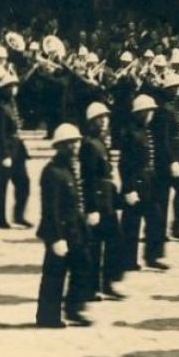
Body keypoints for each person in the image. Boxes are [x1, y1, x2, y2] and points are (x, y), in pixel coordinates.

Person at [35, 123, 93, 328]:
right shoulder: (52, 172)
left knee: (83, 267)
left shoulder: (71, 168)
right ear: (59, 146)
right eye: (69, 143)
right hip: (59, 231)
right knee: (54, 275)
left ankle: (74, 309)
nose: (74, 146)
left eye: (76, 142)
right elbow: (50, 209)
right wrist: (56, 238)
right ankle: (47, 317)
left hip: (76, 230)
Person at [80, 102, 125, 300]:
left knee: (114, 242)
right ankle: (92, 288)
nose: (104, 121)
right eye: (100, 119)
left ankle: (106, 283)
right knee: (96, 246)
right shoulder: (89, 145)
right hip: (98, 201)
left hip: (107, 199)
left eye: (106, 118)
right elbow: (88, 178)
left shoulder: (100, 143)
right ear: (91, 122)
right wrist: (91, 207)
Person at [119, 94, 167, 271]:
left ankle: (152, 256)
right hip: (136, 183)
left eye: (151, 112)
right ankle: (127, 260)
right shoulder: (131, 134)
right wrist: (128, 188)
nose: (150, 115)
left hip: (150, 182)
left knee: (155, 219)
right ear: (139, 113)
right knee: (131, 223)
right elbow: (124, 164)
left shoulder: (147, 131)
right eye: (147, 112)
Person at [153, 73, 179, 244]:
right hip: (167, 160)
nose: (178, 90)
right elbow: (163, 139)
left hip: (178, 159)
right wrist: (172, 160)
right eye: (174, 87)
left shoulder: (175, 106)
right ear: (167, 89)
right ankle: (160, 232)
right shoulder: (163, 110)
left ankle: (175, 228)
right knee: (163, 197)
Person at [0, 72, 31, 229]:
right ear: (4, 88)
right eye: (10, 86)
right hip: (5, 150)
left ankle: (19, 215)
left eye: (15, 86)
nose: (13, 89)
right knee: (1, 186)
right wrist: (3, 154)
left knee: (23, 183)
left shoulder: (12, 103)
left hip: (18, 149)